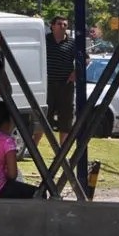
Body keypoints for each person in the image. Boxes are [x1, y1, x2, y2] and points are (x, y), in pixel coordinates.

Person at [32, 16, 80, 148]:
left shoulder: (72, 43)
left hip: (65, 86)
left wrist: (76, 72)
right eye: (59, 24)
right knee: (44, 116)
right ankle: (32, 147)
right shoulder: (44, 41)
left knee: (66, 117)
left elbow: (85, 59)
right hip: (47, 86)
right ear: (52, 26)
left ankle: (62, 150)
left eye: (65, 24)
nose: (63, 26)